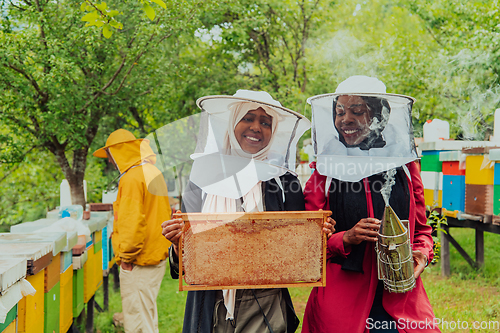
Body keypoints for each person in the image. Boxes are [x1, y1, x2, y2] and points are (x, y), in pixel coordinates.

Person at [161, 90, 334, 333]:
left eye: (265, 122)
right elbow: (185, 265)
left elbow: (297, 250)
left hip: (265, 305)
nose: (256, 127)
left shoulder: (285, 183)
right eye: (248, 118)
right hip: (210, 305)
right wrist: (179, 244)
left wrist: (317, 237)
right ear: (232, 124)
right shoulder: (201, 179)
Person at [302, 76, 440, 333]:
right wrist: (345, 238)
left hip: (402, 298)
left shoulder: (406, 166)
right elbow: (306, 239)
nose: (345, 119)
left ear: (380, 116)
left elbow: (421, 230)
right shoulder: (325, 169)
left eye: (357, 111)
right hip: (342, 302)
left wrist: (422, 253)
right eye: (339, 112)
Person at [93, 129, 171, 333]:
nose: (110, 161)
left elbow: (131, 222)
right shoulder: (153, 172)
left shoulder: (131, 178)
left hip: (138, 260)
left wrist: (126, 257)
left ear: (119, 152)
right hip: (155, 255)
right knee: (147, 316)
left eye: (110, 155)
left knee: (137, 321)